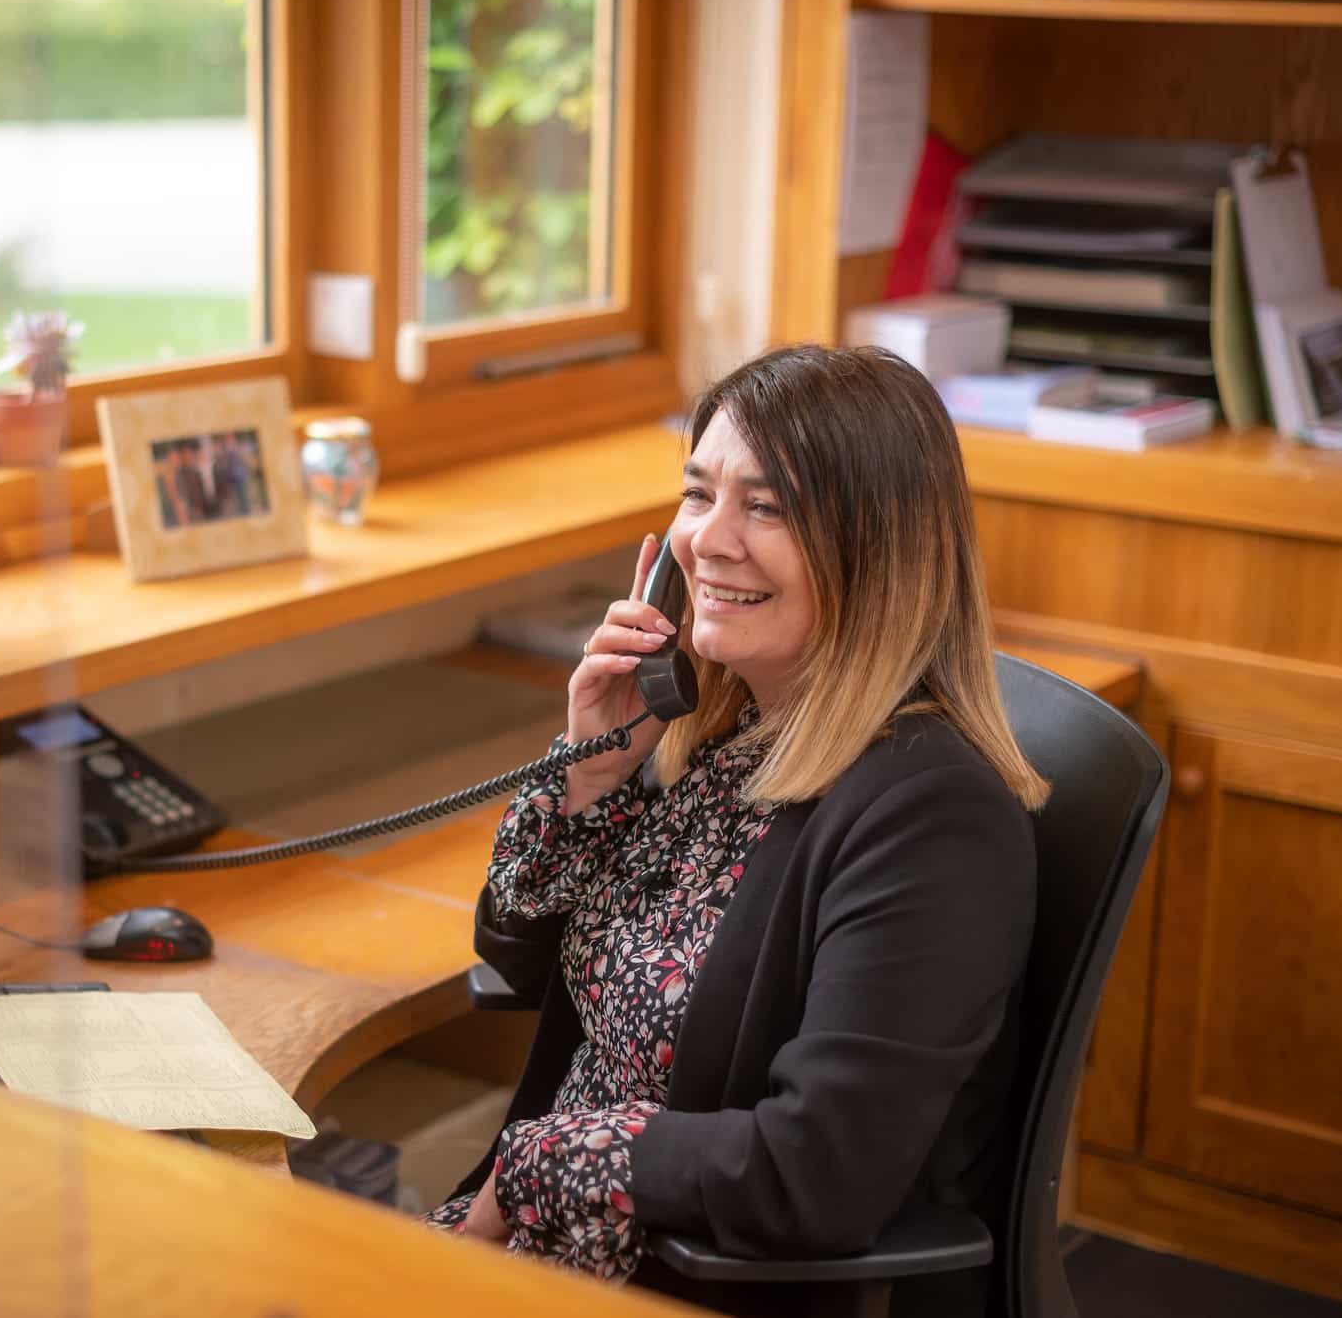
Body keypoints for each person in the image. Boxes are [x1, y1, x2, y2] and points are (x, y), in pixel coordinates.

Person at [426, 343, 1049, 1317]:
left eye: (765, 506)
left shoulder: (931, 823)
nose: (706, 541)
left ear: (876, 552)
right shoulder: (724, 734)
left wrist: (534, 1165)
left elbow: (819, 1171)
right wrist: (587, 772)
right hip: (543, 1241)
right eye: (697, 493)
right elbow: (515, 953)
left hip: (662, 1278)